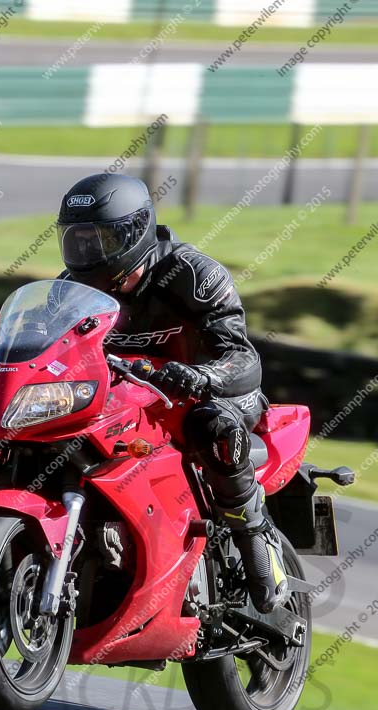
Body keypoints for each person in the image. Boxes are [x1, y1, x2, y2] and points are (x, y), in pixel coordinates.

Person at [56, 173, 288, 614]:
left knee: (210, 425)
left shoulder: (194, 275)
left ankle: (255, 538)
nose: (88, 253)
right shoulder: (70, 289)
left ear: (135, 231)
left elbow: (243, 358)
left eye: (100, 240)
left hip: (211, 391)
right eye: (77, 240)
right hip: (132, 397)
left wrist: (203, 377)